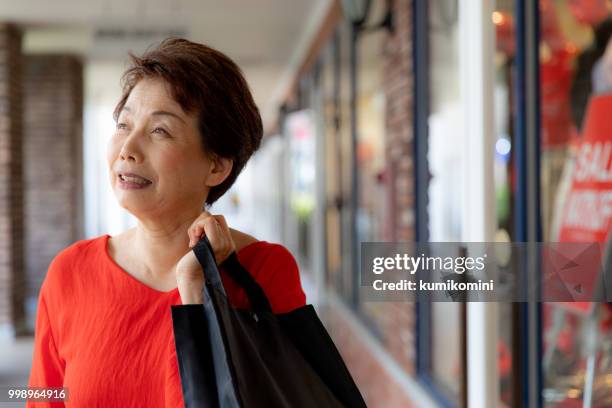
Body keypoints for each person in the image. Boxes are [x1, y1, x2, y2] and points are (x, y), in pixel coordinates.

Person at [27, 38, 307, 407]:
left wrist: (195, 291)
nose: (128, 147)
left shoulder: (262, 273)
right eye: (124, 124)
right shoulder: (70, 273)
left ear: (217, 164)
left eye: (160, 130)